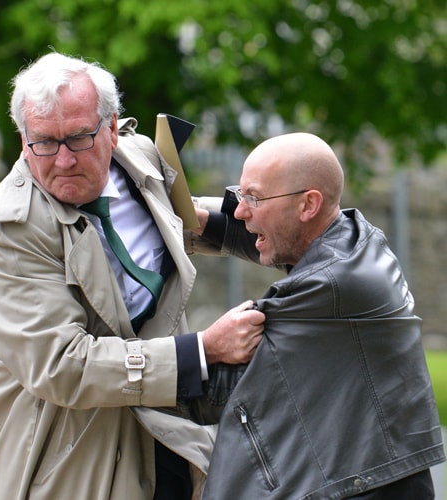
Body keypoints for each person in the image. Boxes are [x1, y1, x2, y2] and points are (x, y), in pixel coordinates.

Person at [0, 51, 265, 500]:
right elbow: (63, 366)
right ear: (23, 138)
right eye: (43, 142)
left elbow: (181, 220)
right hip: (67, 451)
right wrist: (202, 352)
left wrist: (279, 233)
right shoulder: (9, 230)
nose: (63, 160)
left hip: (167, 432)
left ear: (111, 129)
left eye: (78, 138)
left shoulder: (139, 158)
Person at [187, 132, 445, 499]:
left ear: (308, 205)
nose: (241, 211)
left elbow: (219, 383)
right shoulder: (357, 242)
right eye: (240, 196)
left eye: (254, 198)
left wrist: (197, 349)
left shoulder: (327, 286)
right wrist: (199, 220)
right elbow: (281, 242)